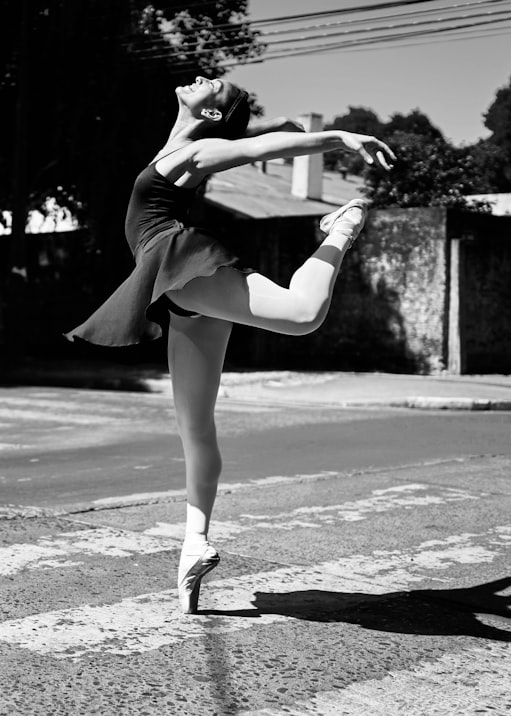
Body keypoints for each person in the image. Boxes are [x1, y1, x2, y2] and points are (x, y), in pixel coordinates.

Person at [65, 76, 396, 614]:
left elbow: (258, 147)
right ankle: (194, 542)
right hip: (175, 285)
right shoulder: (179, 144)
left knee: (302, 314)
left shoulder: (198, 149)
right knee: (195, 429)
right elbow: (256, 139)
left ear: (214, 116)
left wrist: (339, 137)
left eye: (212, 86)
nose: (201, 79)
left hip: (181, 263)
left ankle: (340, 228)